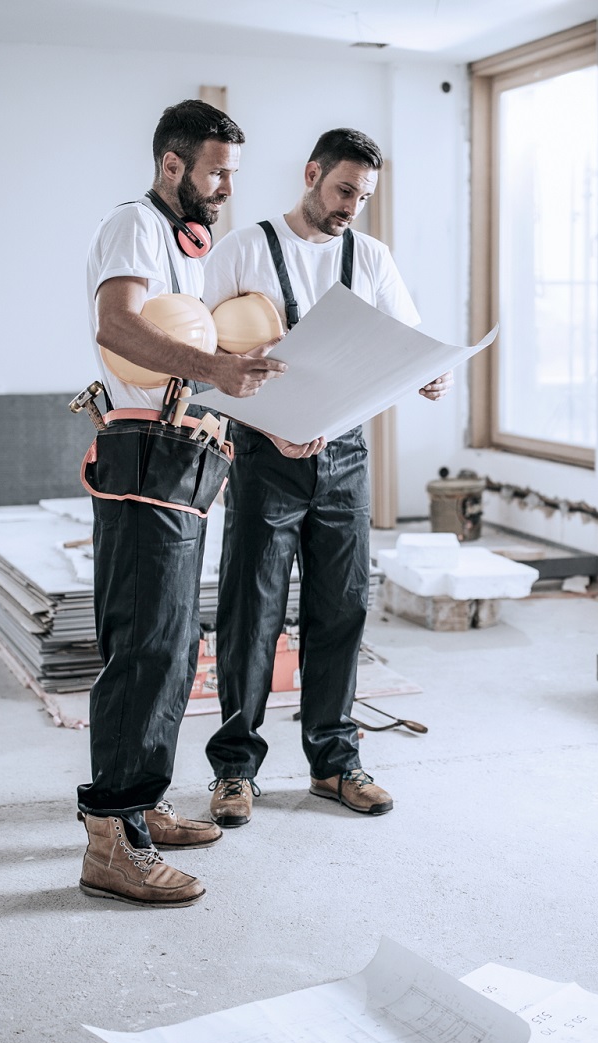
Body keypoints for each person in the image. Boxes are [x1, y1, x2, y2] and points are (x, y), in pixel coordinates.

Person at [201, 128, 451, 826]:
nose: (351, 206)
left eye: (363, 196)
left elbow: (408, 340)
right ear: (312, 174)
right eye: (344, 190)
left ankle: (336, 764)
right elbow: (199, 353)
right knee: (252, 613)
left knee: (340, 609)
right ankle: (234, 771)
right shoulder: (244, 249)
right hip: (263, 457)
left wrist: (431, 373)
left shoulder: (369, 256)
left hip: (344, 459)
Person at [76, 100, 285, 908]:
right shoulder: (135, 222)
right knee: (144, 647)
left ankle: (144, 805)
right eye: (218, 171)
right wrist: (216, 367)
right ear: (174, 165)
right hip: (143, 449)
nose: (228, 187)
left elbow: (189, 344)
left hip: (185, 449)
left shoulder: (183, 245)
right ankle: (111, 839)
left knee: (173, 644)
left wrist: (235, 371)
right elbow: (119, 326)